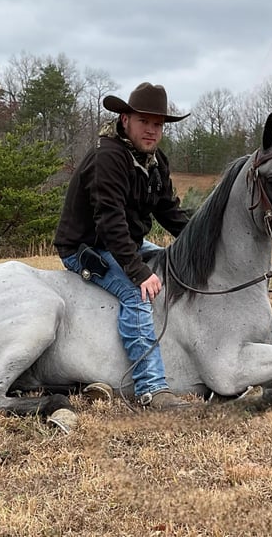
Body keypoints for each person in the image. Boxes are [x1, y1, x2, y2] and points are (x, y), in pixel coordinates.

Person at [54, 82, 191, 410]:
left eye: (158, 125)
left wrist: (199, 242)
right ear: (125, 119)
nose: (152, 130)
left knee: (176, 267)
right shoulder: (109, 158)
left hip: (125, 240)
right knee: (136, 293)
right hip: (88, 246)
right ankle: (150, 388)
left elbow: (169, 211)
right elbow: (109, 223)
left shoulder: (155, 161)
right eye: (144, 122)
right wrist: (139, 271)